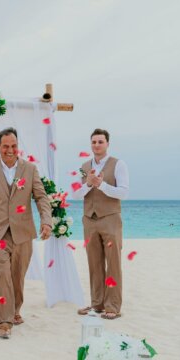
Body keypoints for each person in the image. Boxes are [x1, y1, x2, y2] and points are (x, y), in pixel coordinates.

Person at [0, 127, 52, 339]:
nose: (10, 150)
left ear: (18, 146)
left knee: (17, 277)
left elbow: (41, 197)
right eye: (6, 146)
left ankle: (15, 310)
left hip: (23, 232)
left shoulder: (30, 169)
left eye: (14, 146)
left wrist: (46, 221)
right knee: (1, 275)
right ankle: (3, 322)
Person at [72, 128, 129, 320]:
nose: (97, 145)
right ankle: (97, 304)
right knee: (94, 263)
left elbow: (123, 192)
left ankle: (112, 306)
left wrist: (101, 185)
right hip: (89, 220)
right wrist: (88, 183)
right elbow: (76, 194)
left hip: (110, 218)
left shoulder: (118, 164)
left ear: (107, 144)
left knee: (113, 262)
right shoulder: (84, 165)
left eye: (100, 141)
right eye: (94, 142)